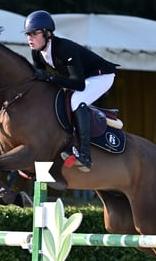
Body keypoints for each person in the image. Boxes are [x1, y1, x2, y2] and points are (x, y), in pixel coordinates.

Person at [23, 10, 118, 172]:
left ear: (47, 33)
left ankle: (85, 155)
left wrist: (50, 77)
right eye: (27, 34)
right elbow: (39, 79)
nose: (29, 38)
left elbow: (78, 84)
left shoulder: (64, 49)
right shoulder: (37, 52)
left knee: (76, 100)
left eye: (34, 33)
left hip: (102, 76)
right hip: (84, 78)